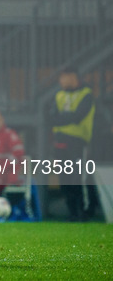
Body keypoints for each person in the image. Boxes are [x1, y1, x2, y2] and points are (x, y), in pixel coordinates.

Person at [48, 67, 97, 221]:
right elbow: (51, 117)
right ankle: (72, 213)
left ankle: (84, 212)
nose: (60, 81)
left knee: (78, 177)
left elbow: (78, 117)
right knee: (64, 178)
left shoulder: (86, 95)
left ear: (72, 77)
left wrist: (62, 117)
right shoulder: (59, 95)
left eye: (63, 77)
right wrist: (66, 117)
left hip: (78, 142)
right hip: (60, 141)